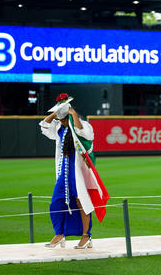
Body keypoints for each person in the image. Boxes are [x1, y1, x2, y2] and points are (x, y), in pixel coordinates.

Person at [39, 93, 109, 250]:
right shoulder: (59, 128)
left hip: (77, 172)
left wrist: (73, 114)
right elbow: (44, 126)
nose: (61, 122)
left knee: (82, 202)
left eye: (63, 120)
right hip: (63, 172)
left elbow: (84, 133)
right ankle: (59, 234)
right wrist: (56, 113)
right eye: (60, 120)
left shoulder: (81, 124)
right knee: (56, 202)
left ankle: (86, 236)